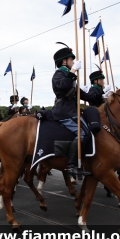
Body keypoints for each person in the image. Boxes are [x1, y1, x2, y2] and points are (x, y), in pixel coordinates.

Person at [51, 43, 103, 176]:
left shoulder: (69, 75)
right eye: (71, 60)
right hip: (64, 111)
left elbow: (84, 95)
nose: (73, 62)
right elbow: (62, 86)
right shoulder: (59, 74)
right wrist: (73, 71)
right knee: (84, 133)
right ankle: (71, 165)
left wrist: (102, 95)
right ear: (64, 61)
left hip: (72, 110)